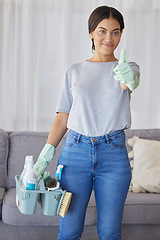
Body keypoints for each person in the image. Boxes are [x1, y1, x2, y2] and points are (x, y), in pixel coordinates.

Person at [34, 5, 140, 240]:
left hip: (113, 155)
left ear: (121, 34)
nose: (109, 38)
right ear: (91, 33)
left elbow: (129, 83)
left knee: (110, 233)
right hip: (75, 154)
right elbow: (62, 116)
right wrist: (46, 154)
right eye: (102, 31)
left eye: (115, 32)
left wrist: (128, 77)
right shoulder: (74, 71)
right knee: (69, 231)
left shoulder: (127, 68)